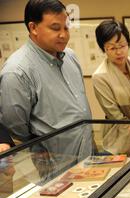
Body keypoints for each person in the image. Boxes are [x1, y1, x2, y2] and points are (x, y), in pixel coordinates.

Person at [0, 0, 92, 142]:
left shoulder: (70, 57)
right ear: (33, 28)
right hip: (52, 160)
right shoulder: (17, 72)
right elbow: (17, 131)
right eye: (55, 28)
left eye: (66, 28)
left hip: (86, 153)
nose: (64, 35)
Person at [92, 20, 130, 155]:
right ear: (103, 49)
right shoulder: (100, 76)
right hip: (119, 138)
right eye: (112, 48)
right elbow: (116, 116)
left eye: (122, 46)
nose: (119, 52)